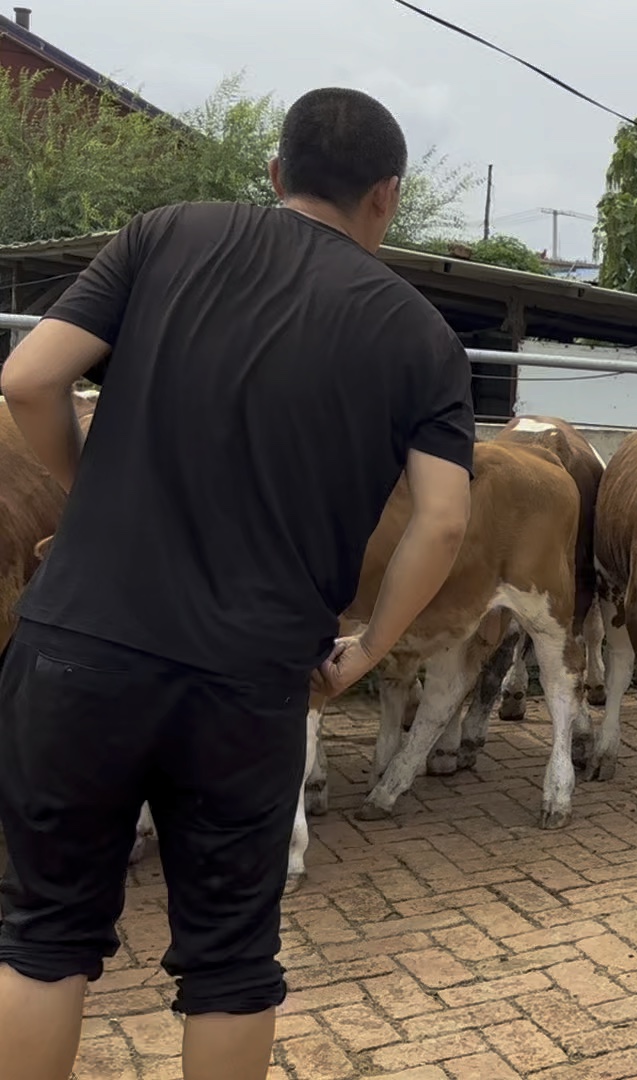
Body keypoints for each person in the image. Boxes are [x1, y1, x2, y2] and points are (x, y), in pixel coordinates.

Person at [0, 87, 475, 1080]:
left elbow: (31, 380)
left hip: (81, 644)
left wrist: (89, 490)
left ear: (275, 175)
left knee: (41, 933)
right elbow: (443, 520)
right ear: (386, 197)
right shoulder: (419, 335)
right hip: (251, 677)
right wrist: (367, 652)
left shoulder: (165, 235)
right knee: (228, 962)